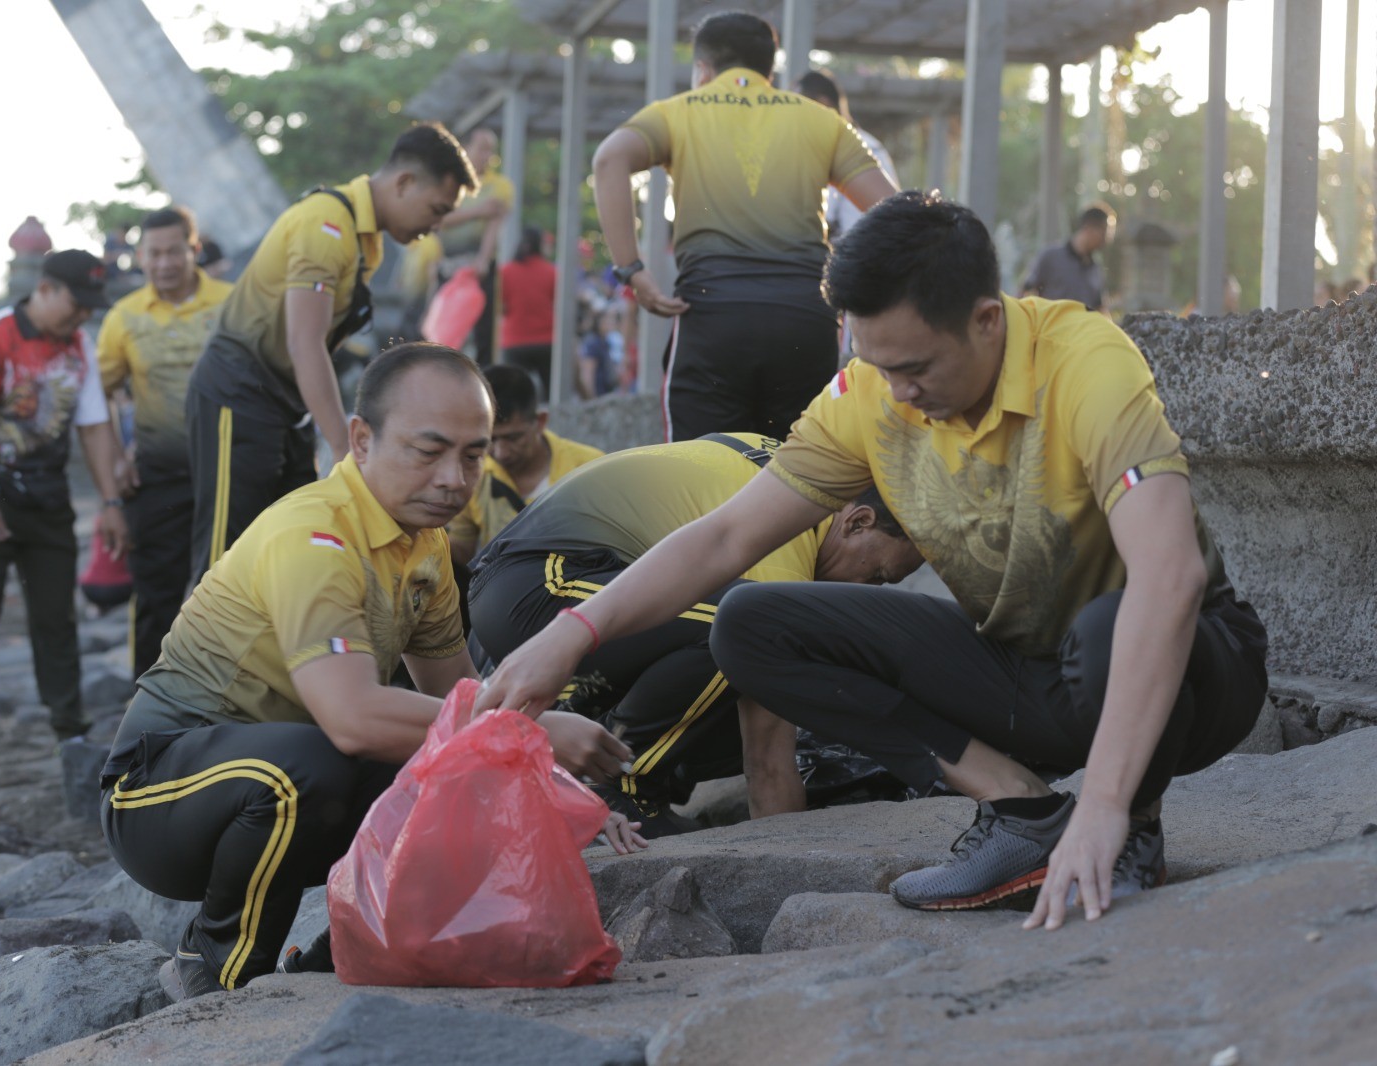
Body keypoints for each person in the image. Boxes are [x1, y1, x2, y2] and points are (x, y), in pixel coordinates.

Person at [480, 191, 1268, 930]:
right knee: (752, 622)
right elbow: (723, 540)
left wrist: (1103, 804)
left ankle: (1128, 823)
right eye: (878, 365)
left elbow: (1171, 576)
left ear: (988, 321)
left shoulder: (1087, 360)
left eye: (915, 368)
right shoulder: (869, 392)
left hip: (1188, 669)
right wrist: (573, 633)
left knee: (1110, 621)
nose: (896, 393)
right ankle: (1024, 812)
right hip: (1033, 671)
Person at [99, 343, 641, 1001]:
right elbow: (353, 719)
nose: (454, 478)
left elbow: (467, 708)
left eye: (473, 455)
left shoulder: (426, 545)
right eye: (428, 451)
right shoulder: (315, 536)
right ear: (360, 440)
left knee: (464, 772)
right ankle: (214, 967)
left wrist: (558, 783)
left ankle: (338, 957)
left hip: (286, 784)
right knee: (307, 763)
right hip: (157, 794)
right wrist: (544, 732)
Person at [470, 432, 922, 836]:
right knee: (744, 629)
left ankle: (627, 759)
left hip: (534, 591)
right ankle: (622, 787)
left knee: (759, 670)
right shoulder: (782, 544)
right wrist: (786, 858)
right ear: (857, 521)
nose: (867, 592)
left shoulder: (786, 470)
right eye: (877, 576)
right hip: (537, 586)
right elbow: (767, 758)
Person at [186, 122, 478, 587]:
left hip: (284, 402)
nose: (437, 225)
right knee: (225, 558)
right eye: (437, 209)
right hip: (238, 393)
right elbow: (306, 343)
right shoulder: (326, 225)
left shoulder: (370, 243)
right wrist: (346, 448)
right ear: (404, 183)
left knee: (292, 545)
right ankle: (200, 660)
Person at [592, 12, 896, 442]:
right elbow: (892, 209)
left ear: (702, 69)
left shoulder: (678, 112)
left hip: (713, 315)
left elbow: (609, 159)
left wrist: (631, 268)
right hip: (805, 319)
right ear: (770, 69)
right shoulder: (822, 121)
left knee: (701, 472)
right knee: (805, 471)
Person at [0, 250, 130, 774]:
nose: (83, 315)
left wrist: (110, 502)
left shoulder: (79, 347)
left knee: (56, 616)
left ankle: (69, 729)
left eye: (89, 307)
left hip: (47, 497)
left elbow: (94, 427)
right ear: (45, 289)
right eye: (76, 303)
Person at [97, 206, 233, 677]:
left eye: (174, 251)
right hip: (157, 477)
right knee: (155, 596)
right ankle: (145, 714)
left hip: (228, 477)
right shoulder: (124, 317)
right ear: (140, 257)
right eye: (153, 254)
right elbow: (98, 396)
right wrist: (117, 458)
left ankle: (226, 713)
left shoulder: (231, 304)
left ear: (193, 250)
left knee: (231, 595)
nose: (164, 263)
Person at [446, 364, 603, 567]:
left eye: (513, 438)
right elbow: (462, 548)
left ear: (540, 421)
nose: (501, 452)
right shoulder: (472, 475)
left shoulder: (589, 468)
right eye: (490, 440)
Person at [434, 127, 517, 364]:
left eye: (491, 150)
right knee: (444, 332)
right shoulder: (448, 182)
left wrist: (482, 260)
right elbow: (439, 221)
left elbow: (494, 224)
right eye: (482, 148)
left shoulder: (500, 185)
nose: (487, 156)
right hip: (448, 266)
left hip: (481, 268)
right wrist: (478, 212)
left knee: (484, 335)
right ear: (465, 149)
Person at [795, 71, 901, 248]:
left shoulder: (839, 146)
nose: (793, 116)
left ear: (822, 104)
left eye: (799, 105)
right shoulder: (869, 142)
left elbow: (822, 219)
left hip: (856, 257)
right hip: (876, 253)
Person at [498, 227, 557, 398]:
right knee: (550, 394)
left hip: (515, 341)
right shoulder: (551, 271)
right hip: (547, 340)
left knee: (515, 395)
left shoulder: (506, 271)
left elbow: (501, 307)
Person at [1021, 203, 1115, 311]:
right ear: (1088, 228)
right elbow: (1025, 292)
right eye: (1104, 234)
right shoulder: (1050, 257)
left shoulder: (1096, 269)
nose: (1106, 241)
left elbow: (1101, 310)